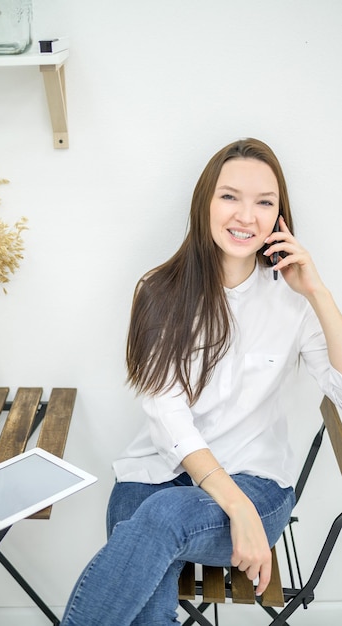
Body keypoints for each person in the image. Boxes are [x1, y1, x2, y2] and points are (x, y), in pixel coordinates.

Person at [60, 138, 342, 626]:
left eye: (264, 203)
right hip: (159, 473)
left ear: (280, 217)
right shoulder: (158, 292)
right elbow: (167, 415)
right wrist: (233, 506)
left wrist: (317, 291)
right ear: (205, 202)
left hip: (258, 487)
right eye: (230, 196)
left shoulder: (294, 301)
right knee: (149, 542)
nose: (246, 216)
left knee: (160, 521)